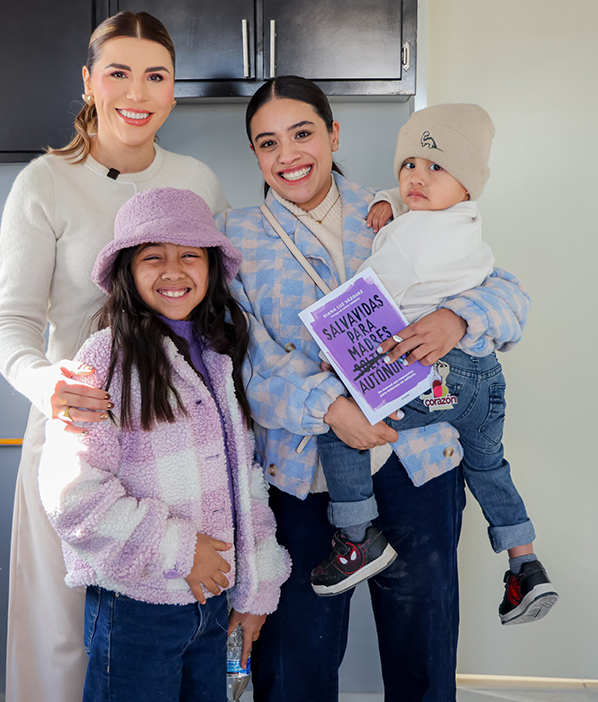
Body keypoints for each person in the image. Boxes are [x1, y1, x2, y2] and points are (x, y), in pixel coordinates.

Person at [217, 76, 531, 701]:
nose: (288, 155)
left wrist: (458, 318)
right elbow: (246, 363)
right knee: (296, 662)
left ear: (333, 135)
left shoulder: (403, 205)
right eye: (268, 143)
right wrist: (331, 409)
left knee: (423, 655)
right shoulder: (235, 237)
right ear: (254, 154)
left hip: (419, 458)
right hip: (305, 468)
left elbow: (507, 293)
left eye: (303, 133)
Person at [0, 12, 228, 701]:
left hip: (180, 444)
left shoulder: (198, 181)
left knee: (174, 620)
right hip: (79, 432)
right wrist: (47, 383)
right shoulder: (45, 183)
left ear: (174, 89)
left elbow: (220, 305)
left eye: (156, 76)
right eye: (119, 72)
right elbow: (11, 321)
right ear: (89, 81)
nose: (137, 92)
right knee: (64, 633)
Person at [37, 186, 290, 702]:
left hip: (214, 605)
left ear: (211, 268)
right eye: (153, 257)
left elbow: (247, 482)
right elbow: (73, 497)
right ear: (127, 271)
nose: (173, 271)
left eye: (189, 255)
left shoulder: (220, 355)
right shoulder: (104, 359)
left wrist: (257, 588)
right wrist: (180, 550)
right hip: (136, 608)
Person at [311, 103, 557, 625]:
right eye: (408, 165)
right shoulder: (465, 219)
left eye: (434, 167)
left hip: (437, 376)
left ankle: (357, 538)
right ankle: (525, 562)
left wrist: (338, 343)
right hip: (484, 379)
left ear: (466, 182)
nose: (415, 179)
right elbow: (421, 197)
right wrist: (390, 199)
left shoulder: (410, 240)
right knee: (488, 465)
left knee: (342, 425)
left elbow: (369, 297)